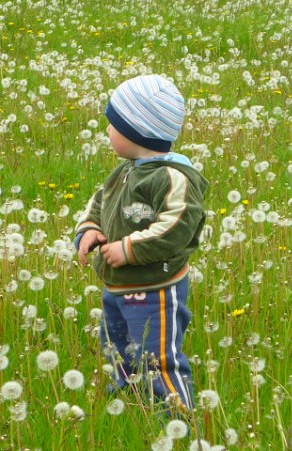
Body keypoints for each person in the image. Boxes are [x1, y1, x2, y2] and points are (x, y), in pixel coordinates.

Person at [74, 74, 208, 411]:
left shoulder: (172, 177)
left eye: (113, 123)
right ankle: (128, 402)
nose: (107, 129)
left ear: (137, 130)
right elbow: (100, 205)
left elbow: (177, 227)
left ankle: (176, 414)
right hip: (116, 285)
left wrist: (129, 248)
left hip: (156, 289)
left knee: (157, 355)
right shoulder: (123, 172)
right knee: (117, 349)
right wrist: (89, 229)